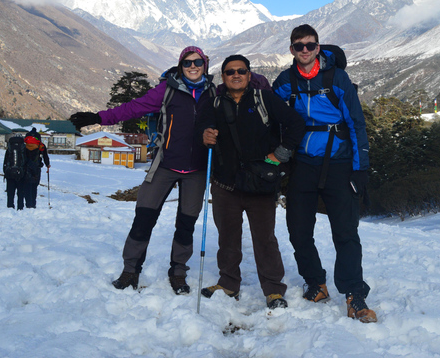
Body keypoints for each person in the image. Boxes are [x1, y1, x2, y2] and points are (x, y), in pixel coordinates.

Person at [69, 46, 214, 295]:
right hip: (164, 165)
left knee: (186, 224)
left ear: (205, 64)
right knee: (143, 218)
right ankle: (130, 270)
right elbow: (133, 108)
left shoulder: (214, 93)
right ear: (180, 66)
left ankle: (178, 272)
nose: (193, 66)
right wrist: (98, 117)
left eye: (197, 62)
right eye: (187, 62)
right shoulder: (167, 90)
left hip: (197, 170)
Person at [272, 24, 377, 323]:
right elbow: (267, 114)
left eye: (310, 45)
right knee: (298, 228)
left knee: (345, 232)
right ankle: (315, 282)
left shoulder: (336, 78)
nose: (304, 50)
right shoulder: (285, 81)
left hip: (339, 163)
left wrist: (361, 169)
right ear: (291, 49)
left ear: (318, 48)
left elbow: (356, 124)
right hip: (303, 163)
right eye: (298, 45)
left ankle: (355, 294)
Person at [198, 55, 305, 309]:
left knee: (264, 238)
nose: (236, 75)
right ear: (223, 76)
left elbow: (296, 123)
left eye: (241, 71)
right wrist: (205, 135)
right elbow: (201, 126)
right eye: (230, 71)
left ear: (249, 75)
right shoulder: (213, 101)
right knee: (228, 236)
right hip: (225, 184)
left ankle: (273, 290)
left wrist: (281, 154)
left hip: (260, 183)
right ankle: (228, 283)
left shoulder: (263, 99)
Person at [5, 128, 50, 210]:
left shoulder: (24, 145)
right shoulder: (41, 146)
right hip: (36, 168)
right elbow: (45, 156)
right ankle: (32, 205)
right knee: (34, 187)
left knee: (26, 187)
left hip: (25, 168)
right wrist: (47, 165)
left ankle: (24, 204)